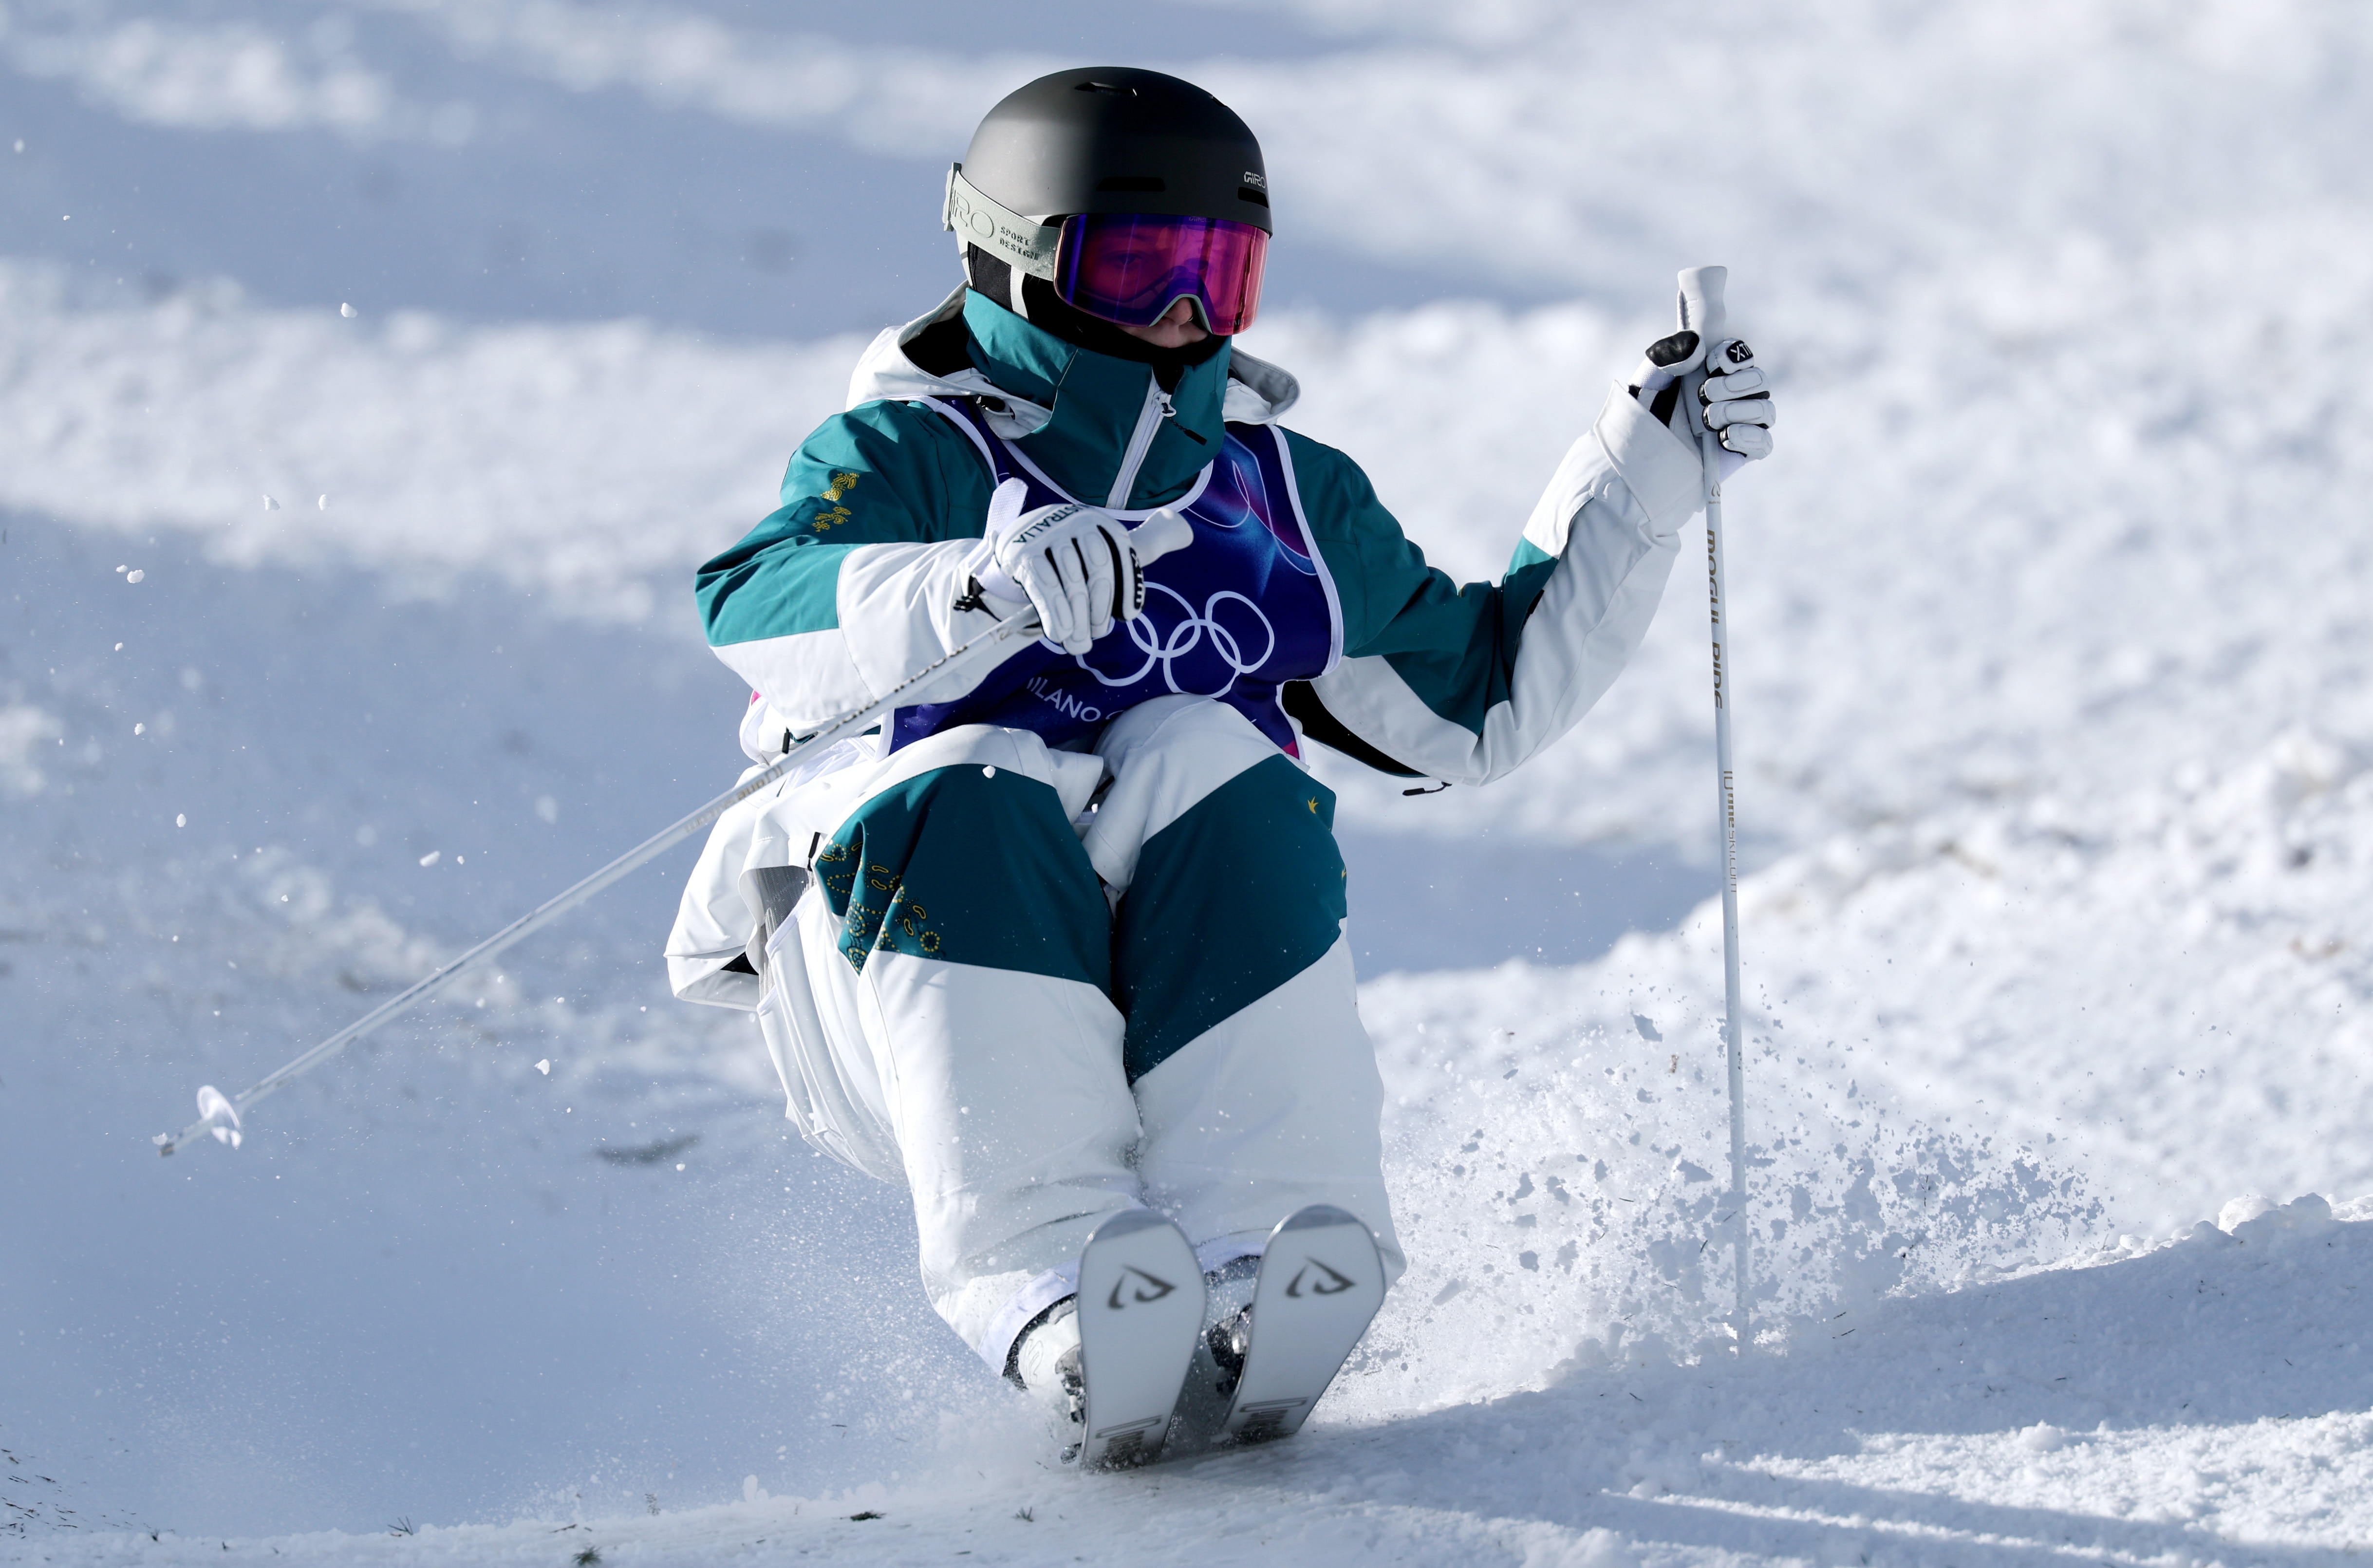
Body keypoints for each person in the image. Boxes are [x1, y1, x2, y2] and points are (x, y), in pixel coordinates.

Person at [665, 66, 1774, 1450]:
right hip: (885, 969)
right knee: (981, 773)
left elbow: (1481, 701)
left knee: (1213, 759)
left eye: (1220, 277)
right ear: (1013, 264)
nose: (1185, 321)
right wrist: (965, 587)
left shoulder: (1272, 497)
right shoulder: (907, 452)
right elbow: (755, 595)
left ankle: (1261, 1254)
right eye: (1138, 271)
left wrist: (1640, 480)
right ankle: (1055, 1287)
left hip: (1142, 979)